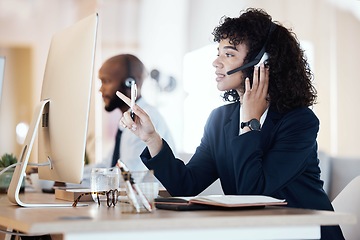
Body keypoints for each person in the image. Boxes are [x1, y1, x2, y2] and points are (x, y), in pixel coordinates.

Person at [117, 8, 344, 240]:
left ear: (263, 63)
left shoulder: (299, 121)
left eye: (229, 54)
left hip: (305, 234)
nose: (216, 62)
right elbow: (186, 185)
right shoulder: (220, 120)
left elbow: (253, 192)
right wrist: (152, 138)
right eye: (218, 53)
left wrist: (250, 122)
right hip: (258, 233)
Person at [84, 54, 175, 179]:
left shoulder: (144, 121)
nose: (101, 89)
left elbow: (126, 178)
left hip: (151, 198)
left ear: (130, 83)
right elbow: (107, 165)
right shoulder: (127, 119)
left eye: (106, 81)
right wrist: (69, 178)